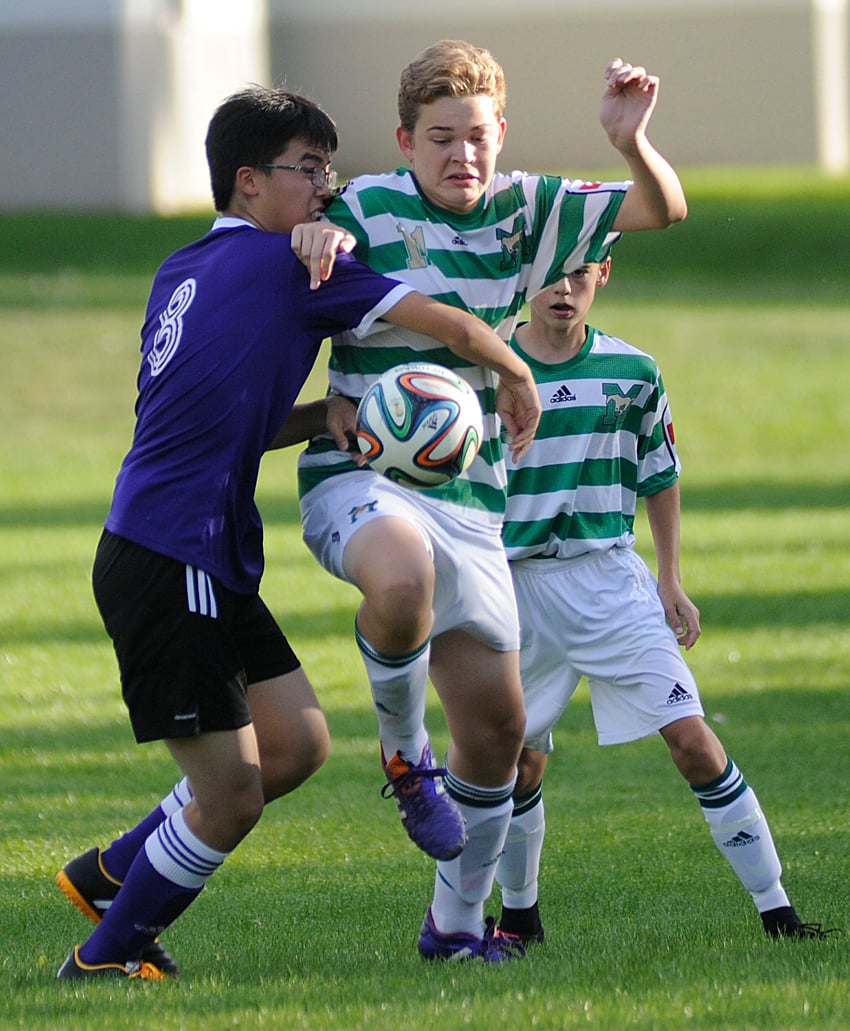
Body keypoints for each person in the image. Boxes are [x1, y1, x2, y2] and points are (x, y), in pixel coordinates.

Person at [55, 84, 546, 981]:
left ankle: (112, 872)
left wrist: (326, 413)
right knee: (233, 795)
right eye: (309, 171)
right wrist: (511, 367)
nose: (326, 189)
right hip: (176, 556)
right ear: (250, 182)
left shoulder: (185, 268)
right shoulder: (292, 265)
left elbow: (226, 414)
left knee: (297, 745)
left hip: (184, 547)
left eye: (330, 170)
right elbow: (438, 318)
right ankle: (103, 957)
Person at [292, 40, 687, 962]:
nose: (461, 155)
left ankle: (457, 930)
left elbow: (663, 208)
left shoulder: (529, 210)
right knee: (399, 579)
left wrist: (631, 141)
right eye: (440, 139)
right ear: (405, 141)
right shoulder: (362, 208)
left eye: (477, 137)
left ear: (500, 135)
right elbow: (306, 239)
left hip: (473, 496)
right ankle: (401, 750)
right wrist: (314, 233)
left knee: (501, 729)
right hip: (363, 474)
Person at [493, 253, 830, 945]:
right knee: (517, 761)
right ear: (525, 277)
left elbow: (660, 474)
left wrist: (670, 577)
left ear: (605, 274)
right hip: (515, 586)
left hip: (612, 583)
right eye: (551, 274)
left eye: (581, 273)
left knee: (693, 741)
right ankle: (520, 918)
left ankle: (779, 913)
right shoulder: (486, 365)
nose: (564, 289)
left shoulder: (634, 371)